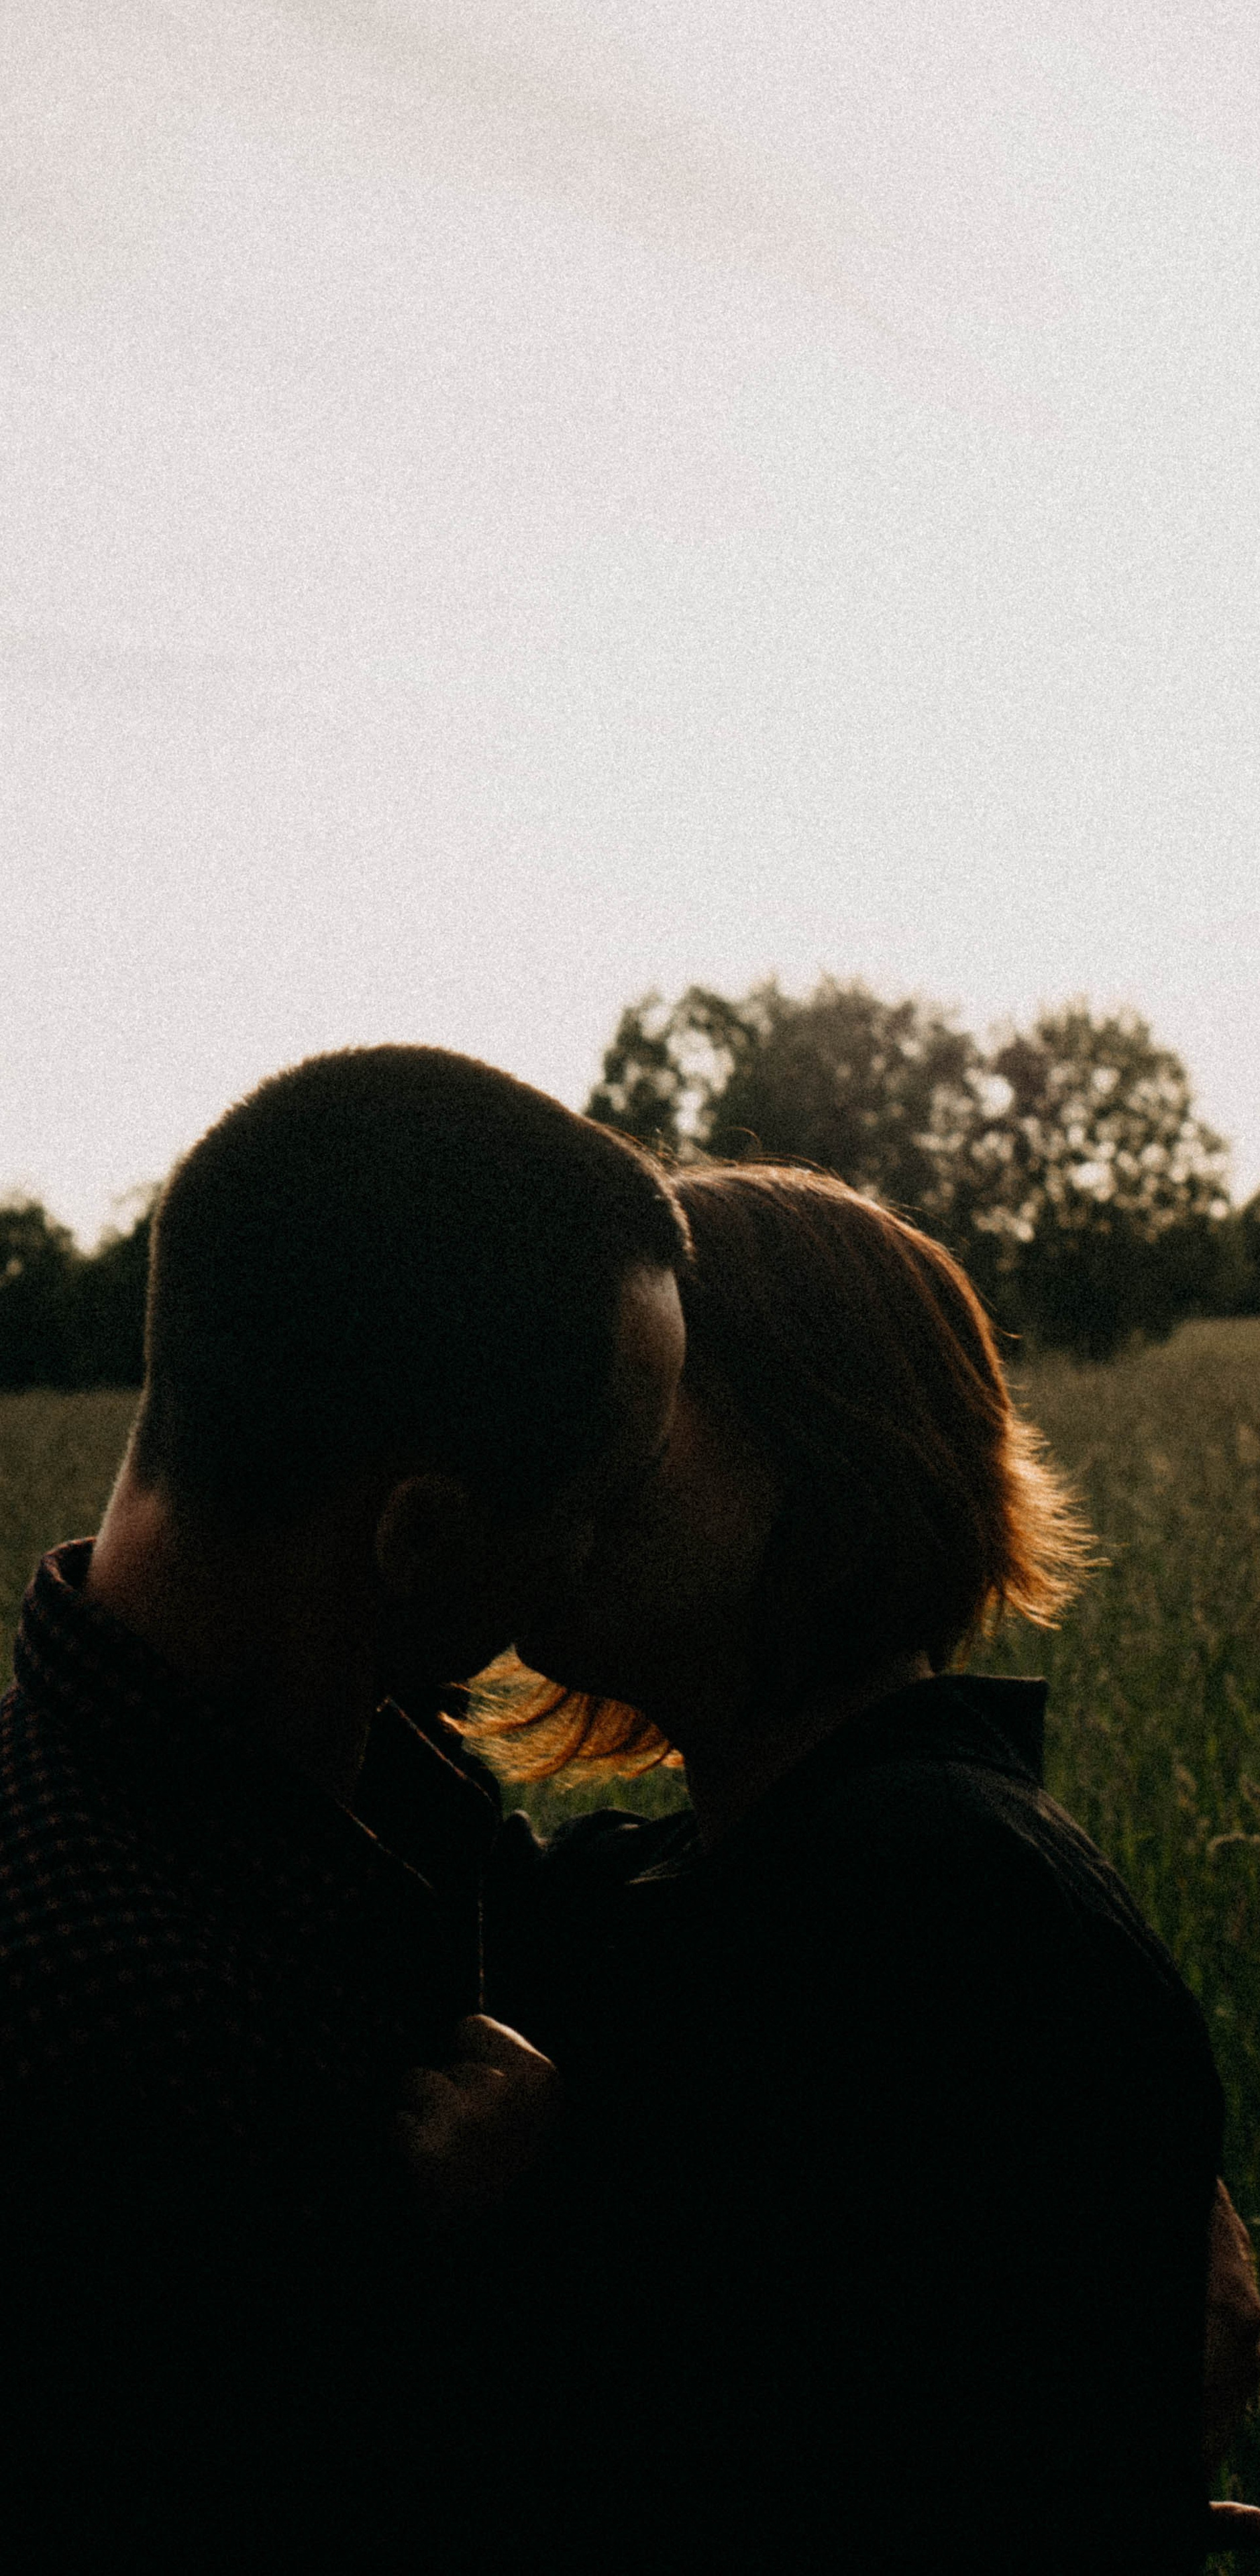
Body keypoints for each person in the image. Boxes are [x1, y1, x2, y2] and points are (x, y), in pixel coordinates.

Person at [469, 1164, 1260, 2571]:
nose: (550, 1475)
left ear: (821, 1450)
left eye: (627, 1419)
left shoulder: (937, 1907)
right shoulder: (718, 1869)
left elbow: (879, 2475)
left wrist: (539, 2216)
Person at [0, 1045, 686, 2570]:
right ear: (422, 1537)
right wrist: (489, 2289)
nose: (611, 1561)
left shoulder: (367, 1805)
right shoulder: (112, 2034)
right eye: (596, 1509)